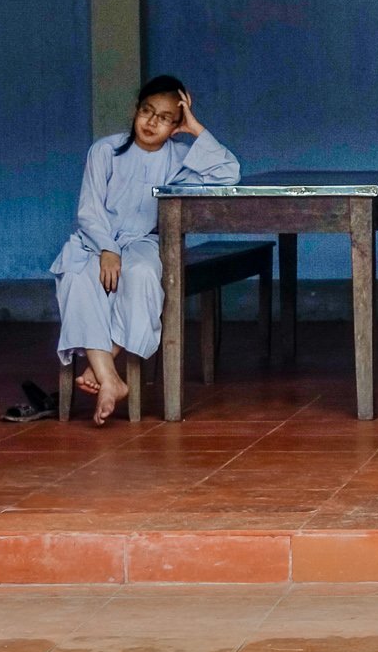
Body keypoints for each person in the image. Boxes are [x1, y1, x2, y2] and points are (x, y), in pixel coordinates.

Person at [52, 76, 240, 424]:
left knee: (141, 274)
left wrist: (195, 129)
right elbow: (89, 210)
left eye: (165, 118)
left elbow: (229, 174)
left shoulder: (180, 158)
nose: (152, 122)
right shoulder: (105, 151)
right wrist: (107, 249)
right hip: (95, 240)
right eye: (147, 111)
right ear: (135, 110)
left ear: (176, 124)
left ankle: (103, 368)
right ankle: (111, 379)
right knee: (78, 277)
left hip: (143, 242)